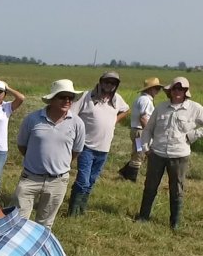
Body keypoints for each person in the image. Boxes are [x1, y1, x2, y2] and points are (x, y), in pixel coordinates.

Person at [12, 80, 85, 229]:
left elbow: (76, 151)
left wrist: (60, 164)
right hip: (30, 178)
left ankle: (39, 251)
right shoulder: (32, 119)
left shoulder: (78, 123)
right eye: (62, 96)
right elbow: (22, 145)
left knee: (45, 225)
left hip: (57, 181)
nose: (67, 100)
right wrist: (37, 161)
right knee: (17, 223)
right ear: (52, 99)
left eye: (70, 97)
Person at [135, 77, 203, 229]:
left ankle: (175, 223)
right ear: (170, 91)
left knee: (177, 189)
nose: (178, 91)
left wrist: (194, 135)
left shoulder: (195, 108)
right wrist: (146, 148)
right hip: (157, 154)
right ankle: (143, 217)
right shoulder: (161, 107)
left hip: (179, 155)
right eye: (175, 88)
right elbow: (148, 130)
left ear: (186, 92)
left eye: (182, 89)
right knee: (150, 186)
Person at [67, 71, 130, 215]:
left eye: (113, 83)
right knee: (83, 181)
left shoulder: (117, 100)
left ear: (116, 86)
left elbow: (126, 110)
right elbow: (71, 115)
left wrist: (115, 120)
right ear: (101, 82)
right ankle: (73, 212)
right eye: (107, 82)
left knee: (91, 180)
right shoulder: (87, 96)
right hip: (86, 146)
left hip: (104, 149)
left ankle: (81, 209)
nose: (109, 85)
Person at [117, 77, 163, 182]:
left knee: (138, 153)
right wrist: (149, 132)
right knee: (139, 155)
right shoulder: (146, 100)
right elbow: (143, 118)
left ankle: (124, 173)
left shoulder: (141, 98)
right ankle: (131, 178)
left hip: (137, 131)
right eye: (156, 88)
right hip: (140, 132)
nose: (158, 91)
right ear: (150, 89)